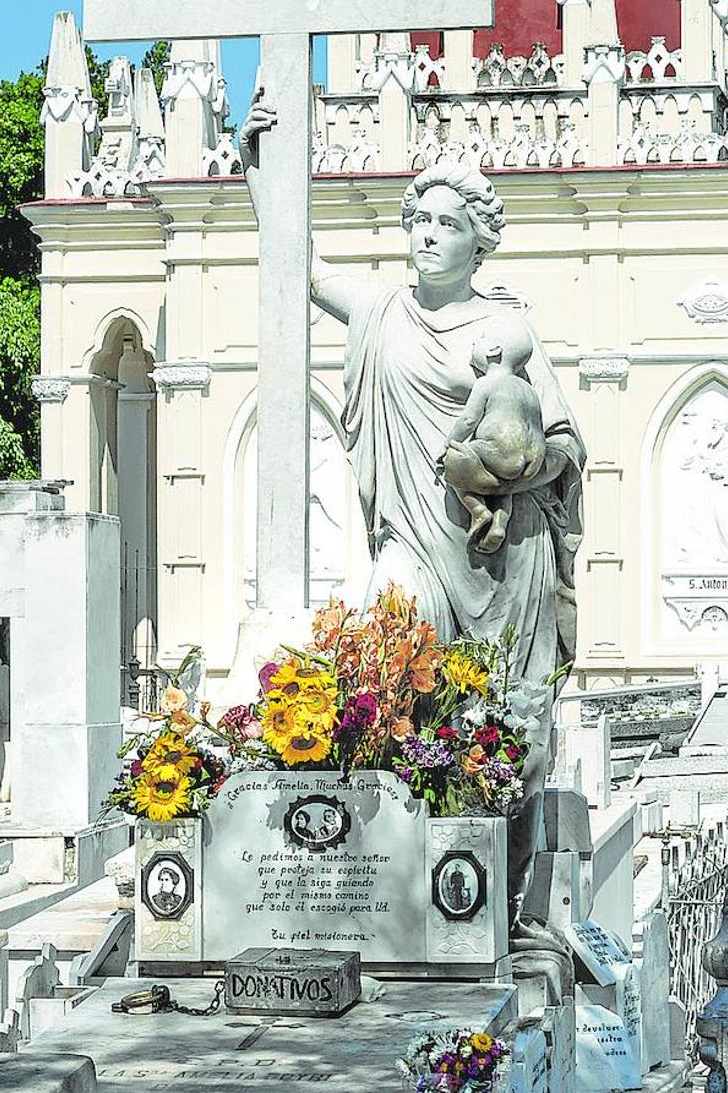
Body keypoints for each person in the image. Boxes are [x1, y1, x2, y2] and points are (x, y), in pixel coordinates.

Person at [240, 95, 585, 931]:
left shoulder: (509, 329)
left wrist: (507, 469)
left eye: (446, 222)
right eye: (418, 220)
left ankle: (496, 909)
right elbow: (303, 269)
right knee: (382, 663)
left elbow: (567, 443)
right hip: (414, 544)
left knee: (507, 735)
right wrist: (261, 173)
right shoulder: (383, 313)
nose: (427, 234)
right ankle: (388, 895)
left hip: (505, 561)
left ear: (479, 238)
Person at [438, 313, 548, 553]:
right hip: (531, 459)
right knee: (505, 484)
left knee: (453, 464)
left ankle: (477, 510)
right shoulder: (527, 389)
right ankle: (500, 523)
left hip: (499, 449)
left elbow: (468, 420)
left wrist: (448, 444)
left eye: (481, 339)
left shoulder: (487, 382)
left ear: (493, 351)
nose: (475, 342)